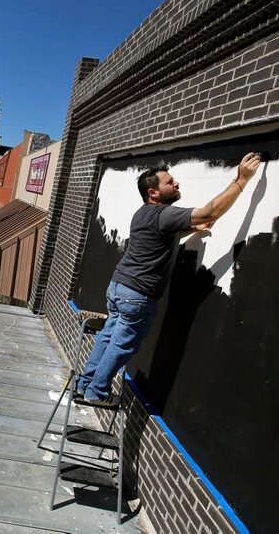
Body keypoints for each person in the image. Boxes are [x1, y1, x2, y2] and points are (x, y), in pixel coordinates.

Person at [76, 152, 262, 407]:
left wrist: (191, 229)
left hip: (118, 287)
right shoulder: (166, 214)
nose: (176, 184)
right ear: (153, 193)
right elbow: (210, 211)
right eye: (169, 182)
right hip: (137, 295)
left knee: (107, 338)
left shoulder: (143, 214)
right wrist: (241, 181)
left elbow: (162, 236)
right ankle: (97, 392)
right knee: (120, 346)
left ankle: (84, 385)